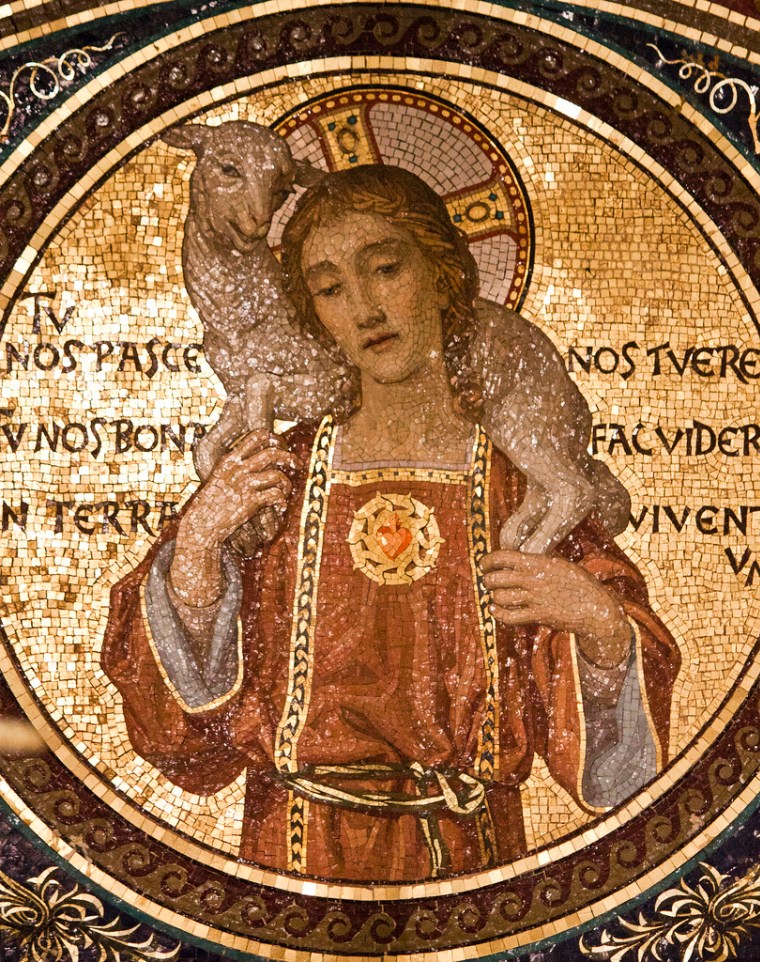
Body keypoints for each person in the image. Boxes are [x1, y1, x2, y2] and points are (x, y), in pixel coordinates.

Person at [102, 165, 681, 883]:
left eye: (384, 269)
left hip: (472, 853)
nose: (365, 307)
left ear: (440, 275)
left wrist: (597, 621)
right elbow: (188, 743)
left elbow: (621, 771)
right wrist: (196, 544)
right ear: (312, 316)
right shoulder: (274, 479)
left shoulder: (519, 489)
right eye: (330, 289)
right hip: (293, 849)